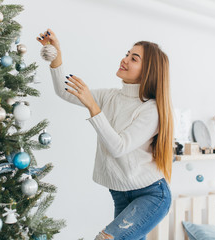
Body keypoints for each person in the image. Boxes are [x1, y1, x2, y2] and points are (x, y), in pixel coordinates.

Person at [37, 29, 173, 240]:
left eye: (133, 58)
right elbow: (64, 92)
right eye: (127, 54)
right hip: (120, 194)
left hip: (151, 195)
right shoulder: (110, 97)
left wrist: (93, 107)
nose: (125, 59)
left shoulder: (151, 109)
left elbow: (119, 147)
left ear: (148, 71)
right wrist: (57, 57)